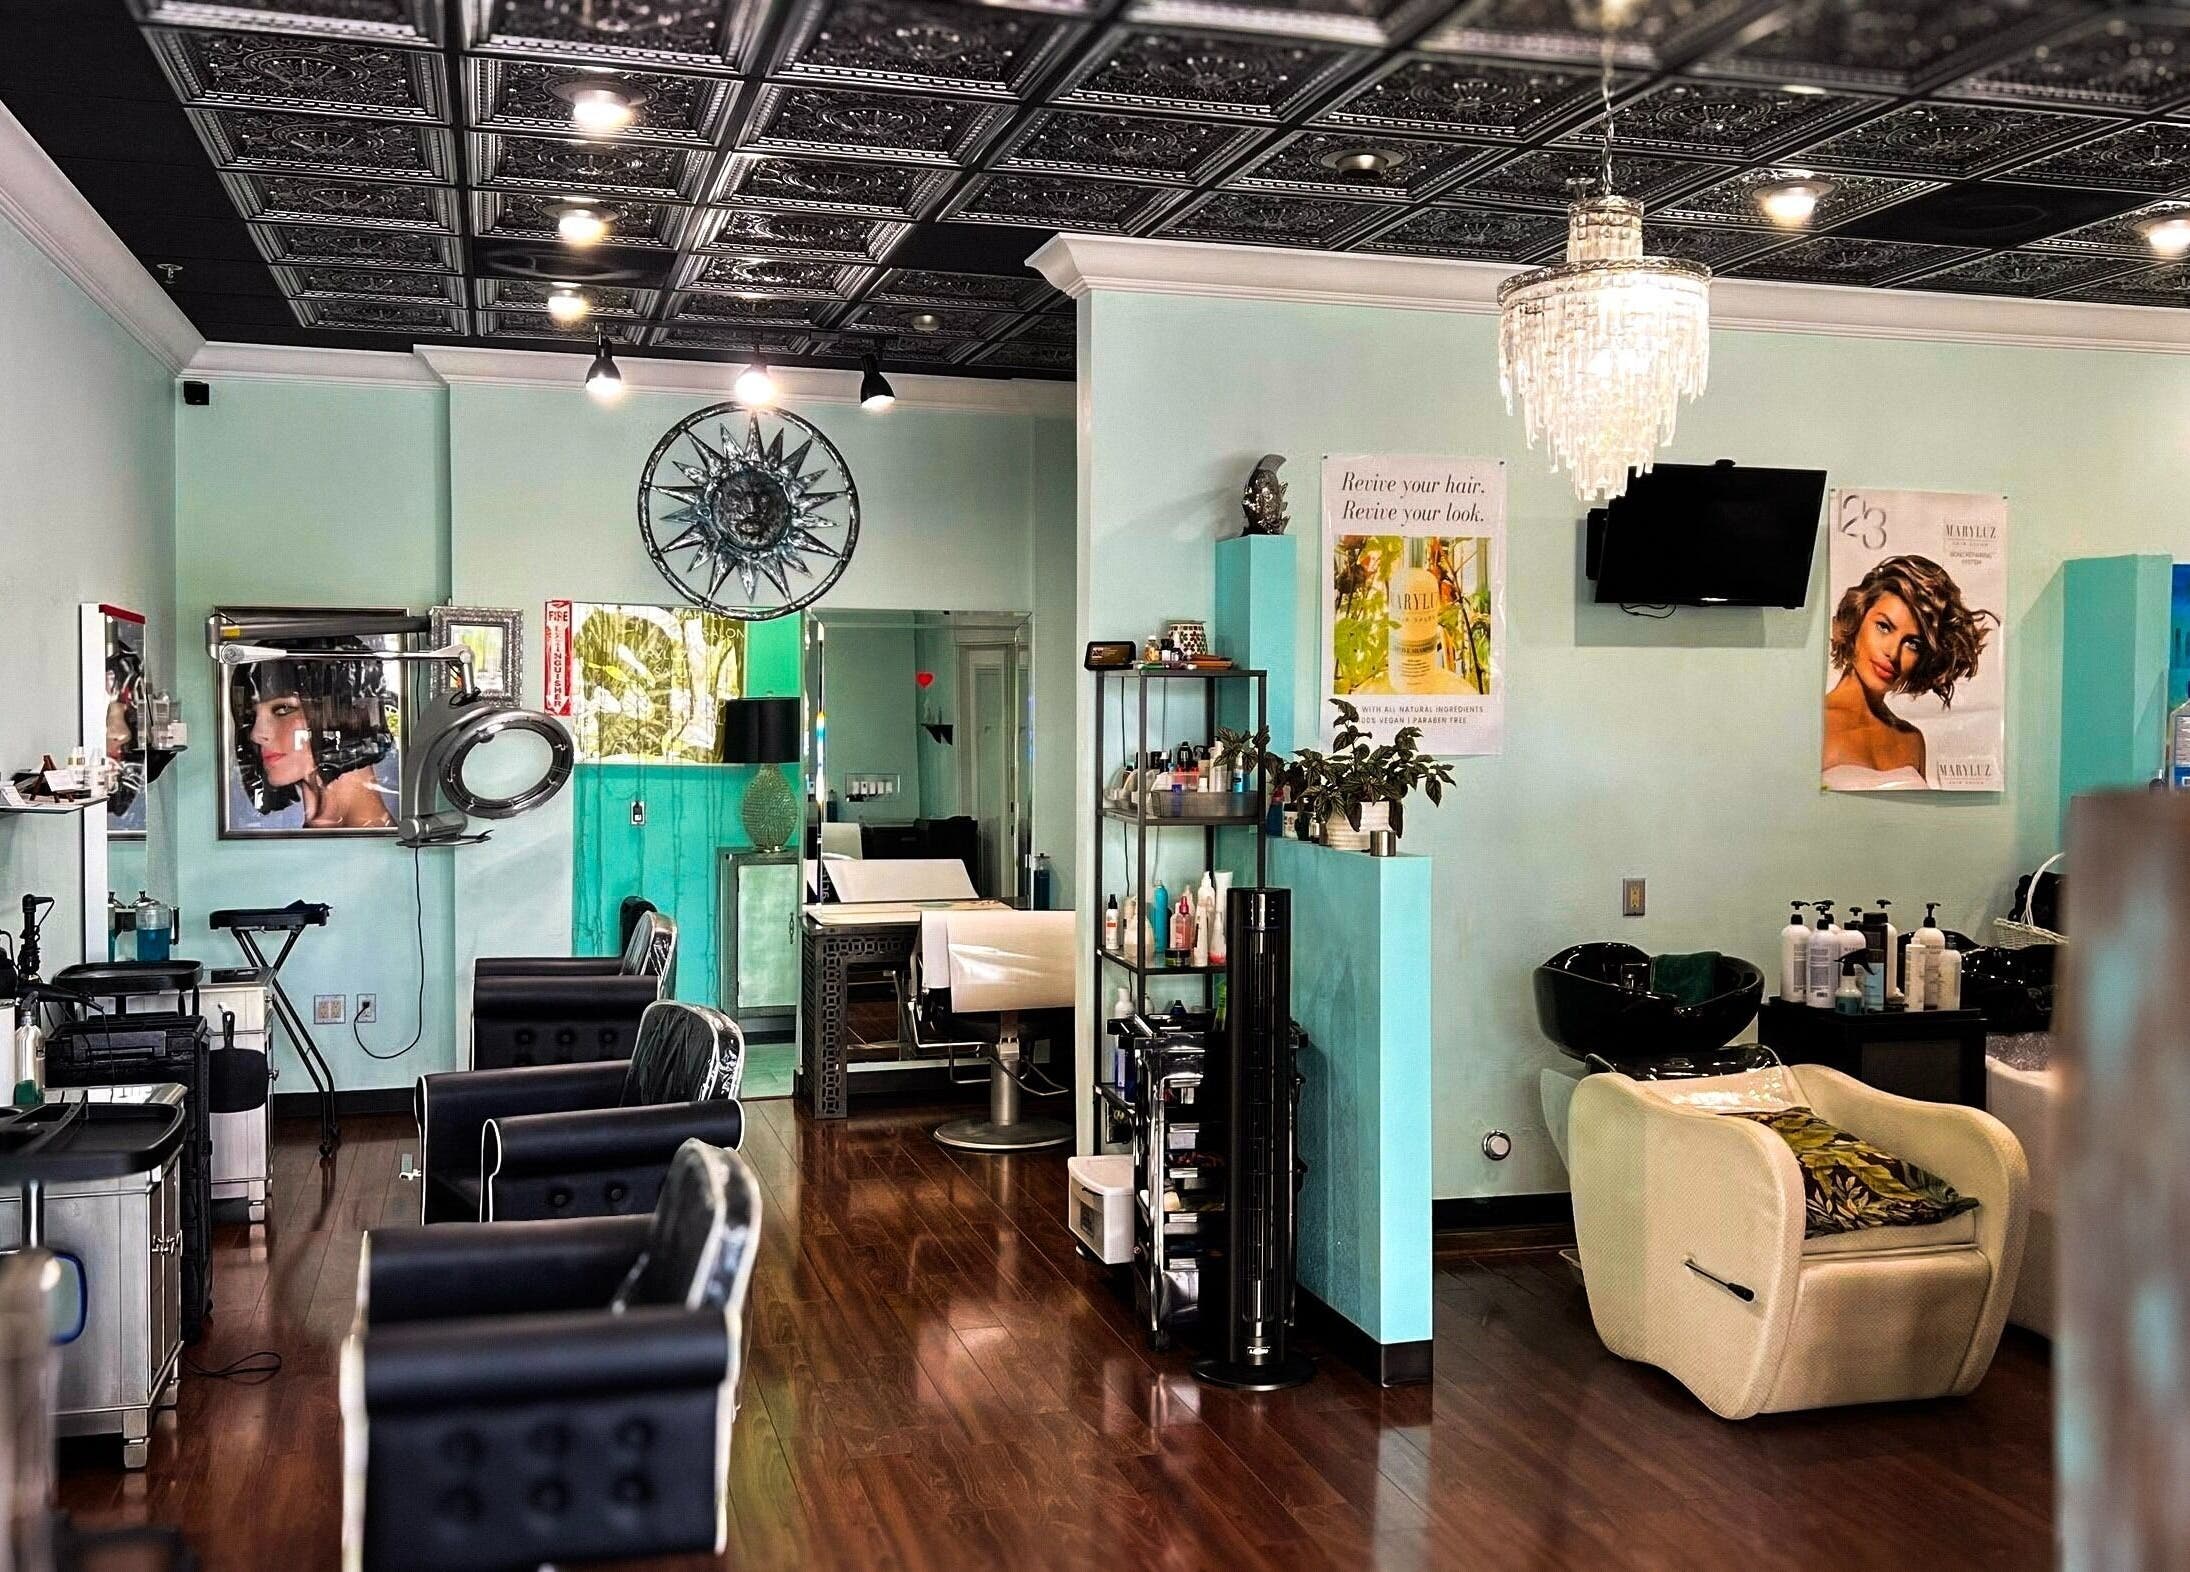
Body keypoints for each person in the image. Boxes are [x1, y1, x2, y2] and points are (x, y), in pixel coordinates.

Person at [1823, 554, 1997, 791]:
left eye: (1912, 643)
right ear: (1856, 620)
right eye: (1884, 627)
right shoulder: (1815, 723)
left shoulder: (1911, 740)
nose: (1893, 653)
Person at [228, 639, 399, 829]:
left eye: (283, 709)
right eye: (251, 716)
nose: (256, 734)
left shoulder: (374, 850)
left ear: (345, 712)